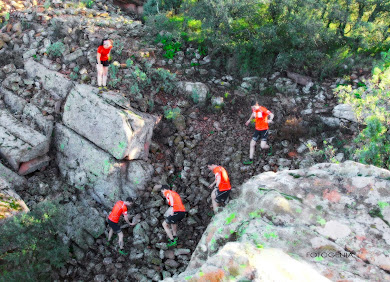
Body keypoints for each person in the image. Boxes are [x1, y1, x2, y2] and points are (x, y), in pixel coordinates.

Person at [243, 100, 274, 165]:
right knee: (252, 144)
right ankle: (250, 159)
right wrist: (249, 120)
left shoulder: (262, 109)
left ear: (257, 105)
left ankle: (269, 147)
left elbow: (271, 114)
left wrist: (270, 120)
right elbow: (253, 114)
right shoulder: (254, 110)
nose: (253, 109)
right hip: (257, 130)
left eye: (254, 107)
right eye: (252, 108)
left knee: (262, 146)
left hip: (264, 130)